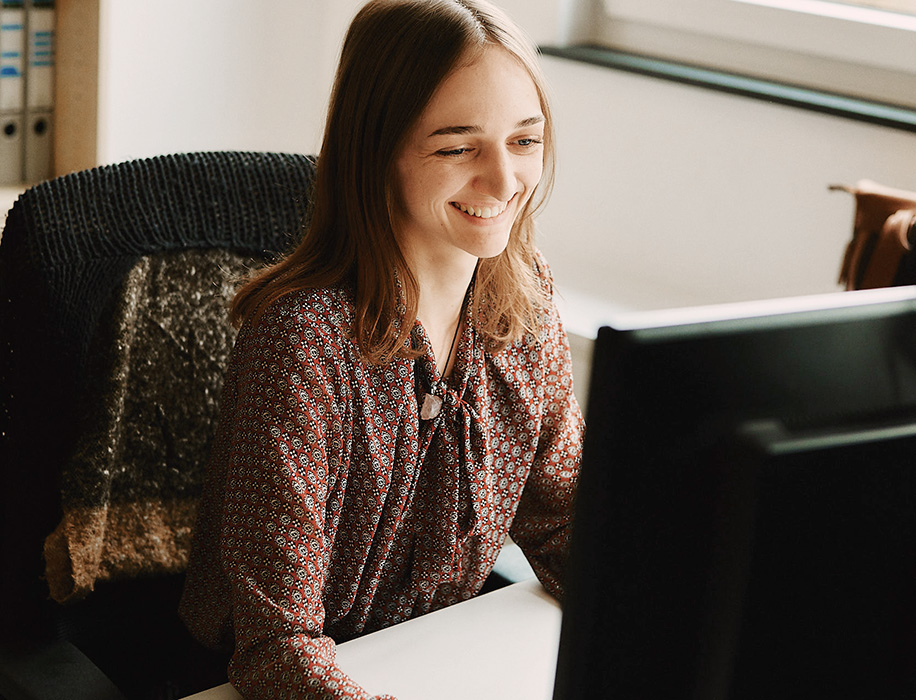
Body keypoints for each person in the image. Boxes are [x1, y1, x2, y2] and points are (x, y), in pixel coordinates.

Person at [179, 0, 584, 698]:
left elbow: (562, 523)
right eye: (457, 148)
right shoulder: (301, 343)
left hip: (435, 655)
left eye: (524, 141)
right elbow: (275, 648)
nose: (503, 181)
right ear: (378, 151)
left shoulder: (525, 298)